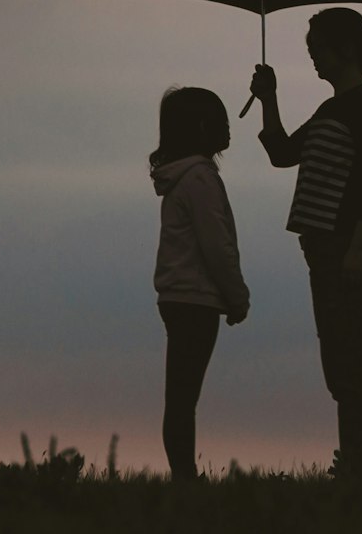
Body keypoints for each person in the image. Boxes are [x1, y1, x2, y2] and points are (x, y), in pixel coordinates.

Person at [248, 8, 362, 480]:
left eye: (318, 49)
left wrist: (359, 248)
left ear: (346, 50)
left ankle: (358, 469)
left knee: (351, 365)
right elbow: (282, 153)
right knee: (339, 364)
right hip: (323, 252)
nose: (312, 57)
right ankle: (354, 465)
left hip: (347, 251)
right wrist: (268, 98)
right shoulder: (331, 111)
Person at [150, 86, 250, 482]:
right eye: (222, 120)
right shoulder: (201, 180)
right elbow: (216, 245)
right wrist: (237, 297)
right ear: (205, 126)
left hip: (177, 296)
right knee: (183, 398)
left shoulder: (181, 179)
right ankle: (185, 478)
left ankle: (183, 476)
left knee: (180, 395)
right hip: (196, 299)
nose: (228, 128)